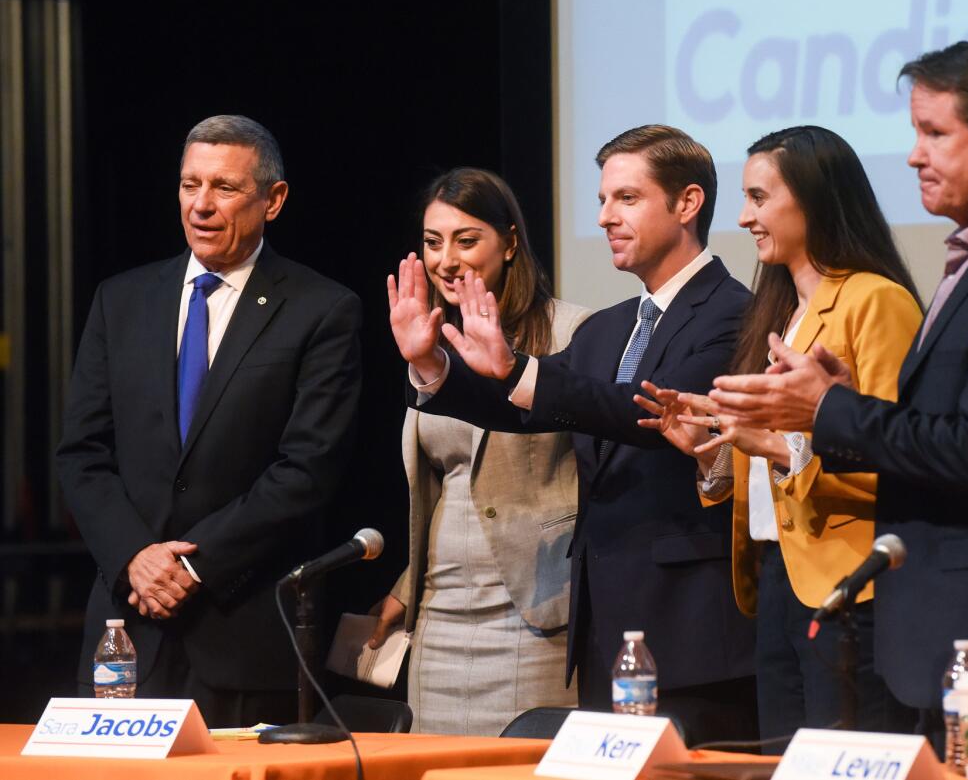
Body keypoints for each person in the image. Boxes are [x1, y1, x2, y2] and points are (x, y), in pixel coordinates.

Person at [706, 40, 968, 762]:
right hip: (958, 637)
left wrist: (828, 410)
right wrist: (829, 402)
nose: (912, 156)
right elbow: (939, 429)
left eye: (935, 133)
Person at [389, 125, 757, 744]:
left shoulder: (733, 312)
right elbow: (524, 409)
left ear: (688, 204)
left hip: (692, 627)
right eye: (602, 200)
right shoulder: (609, 328)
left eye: (626, 199)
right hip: (606, 625)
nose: (605, 217)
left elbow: (647, 412)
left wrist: (514, 367)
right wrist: (432, 367)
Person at [56, 115, 362, 727]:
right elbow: (82, 454)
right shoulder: (120, 300)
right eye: (189, 184)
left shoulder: (322, 310)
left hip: (242, 632)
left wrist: (193, 565)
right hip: (128, 631)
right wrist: (134, 556)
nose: (201, 204)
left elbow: (305, 470)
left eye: (224, 187)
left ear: (272, 200)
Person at [633, 126, 922, 746]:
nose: (742, 217)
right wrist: (711, 444)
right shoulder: (781, 309)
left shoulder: (876, 301)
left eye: (759, 199)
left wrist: (768, 443)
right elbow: (770, 458)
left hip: (853, 590)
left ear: (814, 200)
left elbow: (902, 458)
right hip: (778, 581)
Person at [369, 168, 588, 735]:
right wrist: (405, 587)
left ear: (510, 242)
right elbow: (440, 487)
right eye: (432, 242)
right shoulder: (429, 341)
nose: (447, 259)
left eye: (467, 240)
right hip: (442, 616)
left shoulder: (571, 331)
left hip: (535, 610)